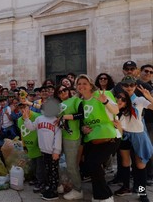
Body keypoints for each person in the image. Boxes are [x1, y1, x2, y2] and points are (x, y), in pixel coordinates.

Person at [75, 74, 119, 202]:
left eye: (84, 83)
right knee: (91, 165)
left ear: (90, 85)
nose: (81, 86)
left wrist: (105, 101)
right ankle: (99, 195)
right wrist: (84, 128)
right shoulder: (80, 102)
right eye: (79, 83)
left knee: (94, 163)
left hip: (109, 136)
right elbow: (83, 122)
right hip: (93, 138)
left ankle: (105, 195)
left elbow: (116, 110)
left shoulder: (102, 94)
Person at [114, 76, 153, 202]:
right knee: (125, 162)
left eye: (132, 85)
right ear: (122, 86)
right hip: (124, 134)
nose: (129, 87)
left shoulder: (140, 100)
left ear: (135, 86)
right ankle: (126, 187)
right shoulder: (118, 100)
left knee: (140, 164)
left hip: (138, 135)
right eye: (126, 85)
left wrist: (149, 97)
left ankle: (142, 192)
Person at [22, 101, 62, 201]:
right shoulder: (39, 118)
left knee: (53, 172)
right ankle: (49, 188)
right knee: (47, 170)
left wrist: (57, 150)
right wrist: (26, 118)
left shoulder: (56, 120)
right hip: (43, 150)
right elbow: (31, 127)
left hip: (53, 151)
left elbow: (58, 136)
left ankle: (54, 191)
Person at [54, 85, 84, 200]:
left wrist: (65, 116)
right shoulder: (58, 105)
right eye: (59, 91)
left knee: (71, 165)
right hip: (59, 135)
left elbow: (82, 114)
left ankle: (78, 189)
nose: (62, 92)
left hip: (72, 136)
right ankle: (62, 183)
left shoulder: (76, 100)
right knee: (56, 162)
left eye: (64, 90)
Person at [17, 102, 45, 193]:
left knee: (40, 165)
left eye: (24, 107)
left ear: (29, 107)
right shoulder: (19, 120)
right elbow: (22, 133)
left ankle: (41, 183)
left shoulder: (37, 116)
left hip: (38, 145)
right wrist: (24, 145)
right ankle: (36, 179)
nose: (23, 109)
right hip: (29, 146)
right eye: (20, 107)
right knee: (33, 164)